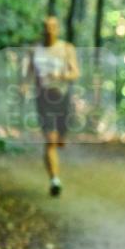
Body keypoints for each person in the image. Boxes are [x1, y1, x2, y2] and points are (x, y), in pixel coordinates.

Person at [25, 16, 79, 197]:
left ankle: (61, 137)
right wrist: (24, 86)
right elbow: (29, 74)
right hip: (43, 99)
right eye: (46, 27)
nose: (50, 30)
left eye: (53, 27)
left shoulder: (66, 48)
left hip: (62, 97)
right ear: (43, 29)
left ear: (58, 29)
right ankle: (55, 180)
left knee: (59, 140)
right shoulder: (34, 50)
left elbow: (75, 73)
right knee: (50, 140)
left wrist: (61, 75)